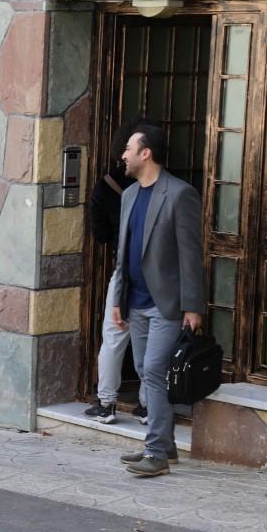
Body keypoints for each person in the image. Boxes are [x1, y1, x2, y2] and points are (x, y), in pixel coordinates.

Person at [111, 124, 205, 478]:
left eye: (128, 148)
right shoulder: (129, 195)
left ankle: (155, 453)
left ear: (145, 153)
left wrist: (193, 306)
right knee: (143, 370)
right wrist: (118, 298)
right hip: (135, 302)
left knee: (153, 371)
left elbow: (191, 255)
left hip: (167, 304)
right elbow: (122, 254)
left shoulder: (180, 195)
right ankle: (165, 445)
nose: (123, 155)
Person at [84, 122, 142, 425]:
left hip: (124, 271)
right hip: (156, 275)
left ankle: (106, 403)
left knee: (114, 338)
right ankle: (148, 406)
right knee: (150, 344)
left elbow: (101, 234)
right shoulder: (165, 185)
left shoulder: (105, 186)